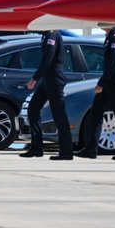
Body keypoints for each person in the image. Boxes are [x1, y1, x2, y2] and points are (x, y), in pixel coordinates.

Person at [76, 26, 115, 160]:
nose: (99, 24)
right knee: (95, 114)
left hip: (114, 83)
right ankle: (91, 150)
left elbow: (113, 64)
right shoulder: (109, 38)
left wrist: (101, 83)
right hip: (109, 82)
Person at [21, 30, 73, 160]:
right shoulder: (46, 34)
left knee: (59, 114)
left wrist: (35, 78)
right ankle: (36, 148)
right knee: (33, 109)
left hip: (54, 78)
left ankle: (66, 152)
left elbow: (48, 57)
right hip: (47, 79)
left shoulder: (52, 34)